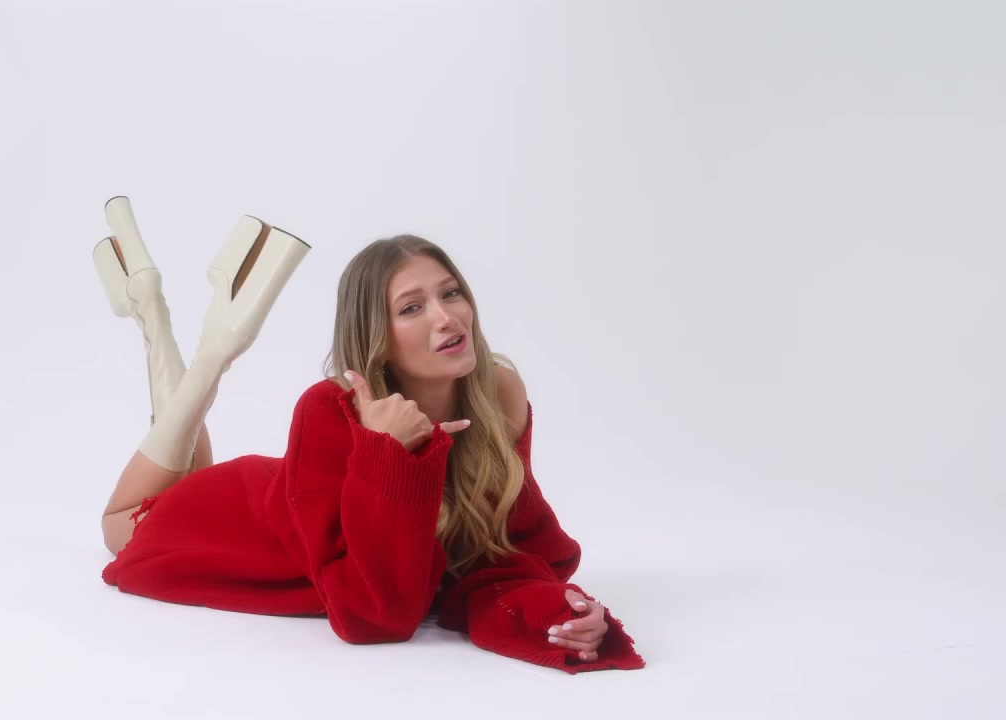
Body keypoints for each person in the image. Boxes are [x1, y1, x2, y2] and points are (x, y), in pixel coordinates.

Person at [91, 196, 645, 674]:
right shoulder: (329, 408)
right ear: (377, 338)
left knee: (183, 441)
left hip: (280, 487)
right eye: (412, 307)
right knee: (118, 522)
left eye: (451, 293)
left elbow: (506, 551)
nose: (447, 318)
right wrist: (388, 454)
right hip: (228, 522)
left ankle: (169, 320)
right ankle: (180, 334)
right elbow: (374, 615)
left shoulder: (498, 389)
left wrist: (562, 613)